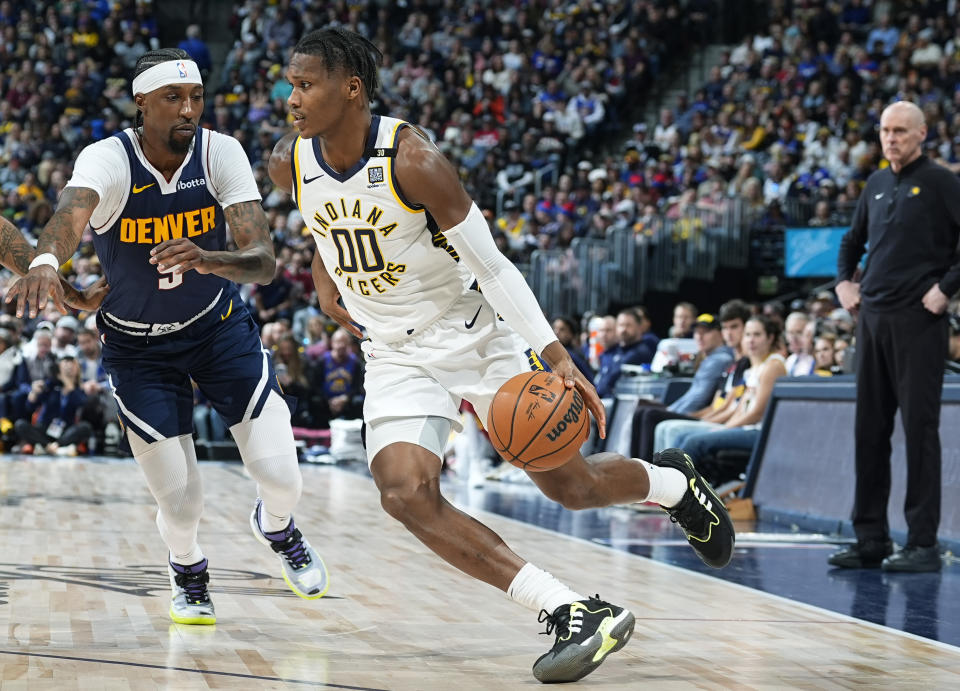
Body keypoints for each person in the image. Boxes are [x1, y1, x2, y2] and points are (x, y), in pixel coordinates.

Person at [269, 27, 734, 684]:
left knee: (571, 487)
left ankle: (674, 484)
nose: (291, 97)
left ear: (352, 90)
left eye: (305, 83)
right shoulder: (289, 159)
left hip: (472, 334)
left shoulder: (413, 162)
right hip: (395, 352)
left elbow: (493, 267)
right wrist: (321, 270)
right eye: (290, 82)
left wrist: (556, 356)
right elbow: (323, 218)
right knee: (403, 492)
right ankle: (571, 609)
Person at [7, 48, 329, 624]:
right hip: (137, 348)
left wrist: (210, 258)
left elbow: (262, 261)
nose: (188, 109)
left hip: (219, 329)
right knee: (180, 504)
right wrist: (47, 263)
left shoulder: (221, 151)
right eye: (173, 99)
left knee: (283, 478)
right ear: (141, 104)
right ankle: (188, 570)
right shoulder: (107, 159)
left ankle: (276, 527)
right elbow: (68, 217)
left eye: (196, 97)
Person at [829, 101, 960, 573]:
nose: (891, 138)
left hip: (920, 321)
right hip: (872, 318)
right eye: (885, 130)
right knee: (869, 431)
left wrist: (946, 290)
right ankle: (871, 539)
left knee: (919, 431)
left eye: (901, 131)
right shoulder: (877, 183)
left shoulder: (943, 182)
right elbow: (850, 240)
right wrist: (844, 280)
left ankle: (922, 544)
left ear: (922, 133)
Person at [632, 311, 737, 459]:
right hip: (697, 411)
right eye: (696, 333)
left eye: (705, 332)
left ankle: (644, 468)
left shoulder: (720, 359)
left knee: (649, 414)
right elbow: (694, 394)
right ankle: (638, 465)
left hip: (699, 413)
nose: (699, 337)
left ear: (720, 334)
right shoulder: (709, 358)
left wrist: (675, 412)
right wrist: (671, 409)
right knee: (643, 410)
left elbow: (699, 397)